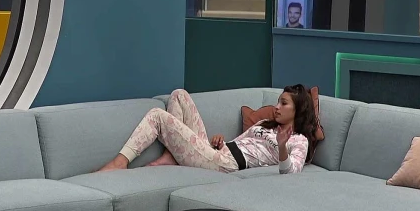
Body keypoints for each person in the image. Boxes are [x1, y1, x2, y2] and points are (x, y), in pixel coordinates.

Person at [98, 85, 317, 175]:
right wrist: (220, 142)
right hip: (219, 152)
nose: (277, 107)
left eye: (283, 104)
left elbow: (291, 172)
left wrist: (281, 147)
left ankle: (120, 162)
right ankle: (171, 155)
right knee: (179, 95)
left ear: (298, 110)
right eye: (278, 102)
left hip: (226, 165)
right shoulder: (265, 124)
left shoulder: (299, 140)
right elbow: (238, 143)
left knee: (157, 115)